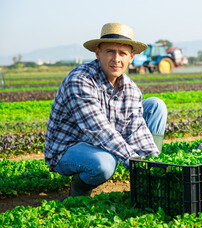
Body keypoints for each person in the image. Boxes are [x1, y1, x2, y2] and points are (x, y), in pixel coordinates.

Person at [44, 23, 167, 197]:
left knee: (156, 106)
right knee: (104, 164)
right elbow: (99, 130)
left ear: (131, 57)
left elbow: (136, 130)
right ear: (98, 52)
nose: (116, 59)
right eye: (110, 51)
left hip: (103, 142)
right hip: (68, 148)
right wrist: (134, 161)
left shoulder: (130, 89)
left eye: (123, 53)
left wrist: (155, 165)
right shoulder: (80, 80)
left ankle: (149, 184)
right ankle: (79, 190)